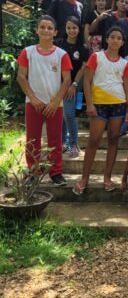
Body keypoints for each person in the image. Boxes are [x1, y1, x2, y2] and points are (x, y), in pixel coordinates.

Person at [72, 26, 128, 195]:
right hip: (99, 105)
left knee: (113, 140)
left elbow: (127, 87)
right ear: (106, 39)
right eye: (112, 37)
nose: (115, 40)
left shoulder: (125, 63)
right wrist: (89, 104)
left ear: (122, 42)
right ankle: (84, 178)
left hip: (118, 105)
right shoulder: (96, 57)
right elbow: (87, 81)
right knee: (93, 141)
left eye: (119, 38)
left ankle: (107, 178)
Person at [17, 15, 72, 186]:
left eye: (50, 28)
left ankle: (55, 172)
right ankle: (34, 172)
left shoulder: (62, 54)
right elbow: (21, 77)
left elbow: (67, 80)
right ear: (37, 30)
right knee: (32, 139)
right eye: (42, 27)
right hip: (33, 103)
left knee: (55, 139)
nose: (46, 30)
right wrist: (33, 98)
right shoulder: (28, 52)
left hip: (54, 104)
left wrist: (56, 101)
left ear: (55, 32)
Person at [57, 16, 90, 158]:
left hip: (74, 84)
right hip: (58, 84)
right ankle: (63, 142)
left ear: (79, 29)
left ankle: (74, 143)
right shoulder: (59, 44)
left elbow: (83, 68)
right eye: (69, 27)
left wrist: (74, 85)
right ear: (65, 29)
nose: (72, 30)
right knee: (61, 113)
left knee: (69, 113)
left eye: (74, 28)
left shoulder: (83, 47)